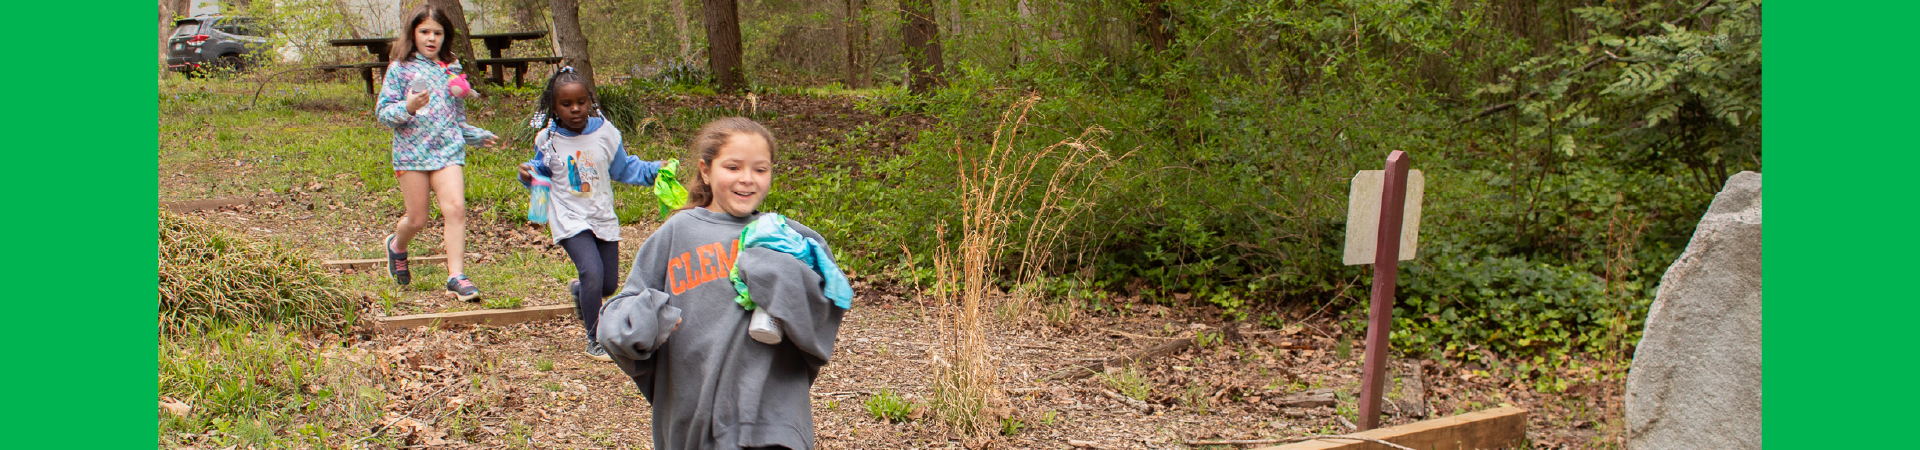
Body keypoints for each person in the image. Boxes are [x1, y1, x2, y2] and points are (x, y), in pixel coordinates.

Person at [596, 118, 849, 450]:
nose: (747, 179)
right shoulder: (678, 233)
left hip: (773, 415)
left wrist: (779, 275)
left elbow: (826, 310)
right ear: (706, 170)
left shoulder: (789, 238)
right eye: (733, 167)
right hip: (694, 410)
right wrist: (643, 321)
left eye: (760, 170)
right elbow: (618, 314)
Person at [516, 66, 666, 361]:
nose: (575, 110)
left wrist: (653, 171)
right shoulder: (548, 139)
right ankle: (595, 339)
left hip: (601, 214)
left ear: (590, 101)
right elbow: (541, 175)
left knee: (607, 284)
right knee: (592, 272)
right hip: (569, 217)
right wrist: (528, 176)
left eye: (581, 102)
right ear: (554, 107)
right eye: (566, 104)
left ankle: (581, 291)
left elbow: (623, 168)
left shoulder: (606, 133)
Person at [374, 5, 497, 301]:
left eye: (437, 33)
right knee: (417, 220)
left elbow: (456, 117)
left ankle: (456, 276)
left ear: (446, 36)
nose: (431, 38)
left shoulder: (451, 69)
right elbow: (382, 113)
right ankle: (397, 245)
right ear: (413, 34)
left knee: (455, 209)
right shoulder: (399, 68)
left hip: (447, 151)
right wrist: (408, 107)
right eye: (425, 32)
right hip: (411, 153)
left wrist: (475, 136)